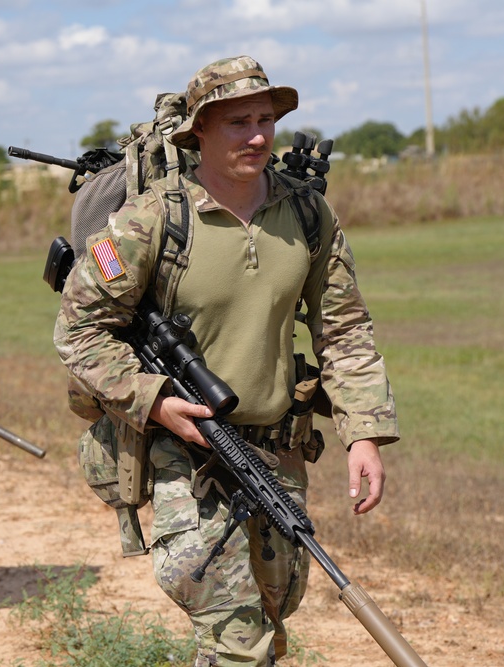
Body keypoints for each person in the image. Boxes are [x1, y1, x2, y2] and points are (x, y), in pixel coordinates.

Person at [56, 55, 399, 666]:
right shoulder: (155, 218)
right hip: (182, 449)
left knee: (274, 608)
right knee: (236, 633)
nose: (258, 135)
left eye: (265, 119)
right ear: (200, 132)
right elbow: (80, 330)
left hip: (277, 444)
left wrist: (364, 433)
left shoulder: (306, 214)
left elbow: (344, 329)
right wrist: (155, 400)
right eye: (238, 121)